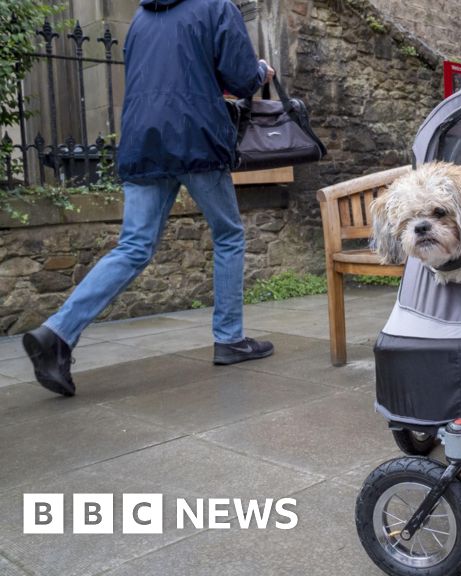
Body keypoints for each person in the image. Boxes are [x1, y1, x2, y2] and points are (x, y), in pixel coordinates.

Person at [22, 0, 276, 397]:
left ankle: (57, 331)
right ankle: (229, 339)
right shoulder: (216, 7)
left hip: (143, 140)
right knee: (228, 235)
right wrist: (261, 69)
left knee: (134, 246)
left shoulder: (141, 18)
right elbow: (241, 79)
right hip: (195, 137)